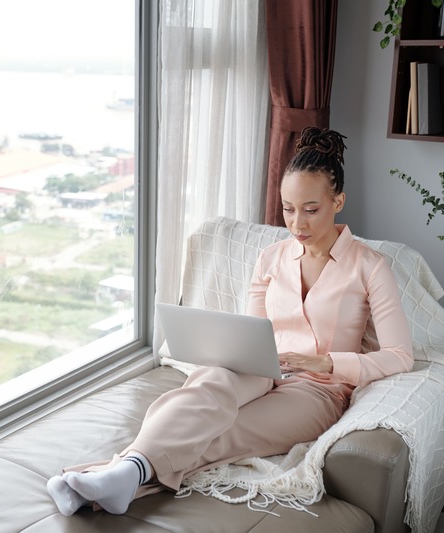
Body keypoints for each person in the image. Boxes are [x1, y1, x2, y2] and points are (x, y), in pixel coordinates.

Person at [46, 126, 414, 516]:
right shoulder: (271, 258)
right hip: (261, 369)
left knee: (226, 432)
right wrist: (240, 357)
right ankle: (120, 476)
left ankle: (113, 478)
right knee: (205, 388)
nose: (297, 224)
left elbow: (399, 355)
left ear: (338, 201)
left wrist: (327, 363)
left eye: (311, 209)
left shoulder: (371, 267)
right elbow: (251, 333)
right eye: (288, 208)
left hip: (318, 391)